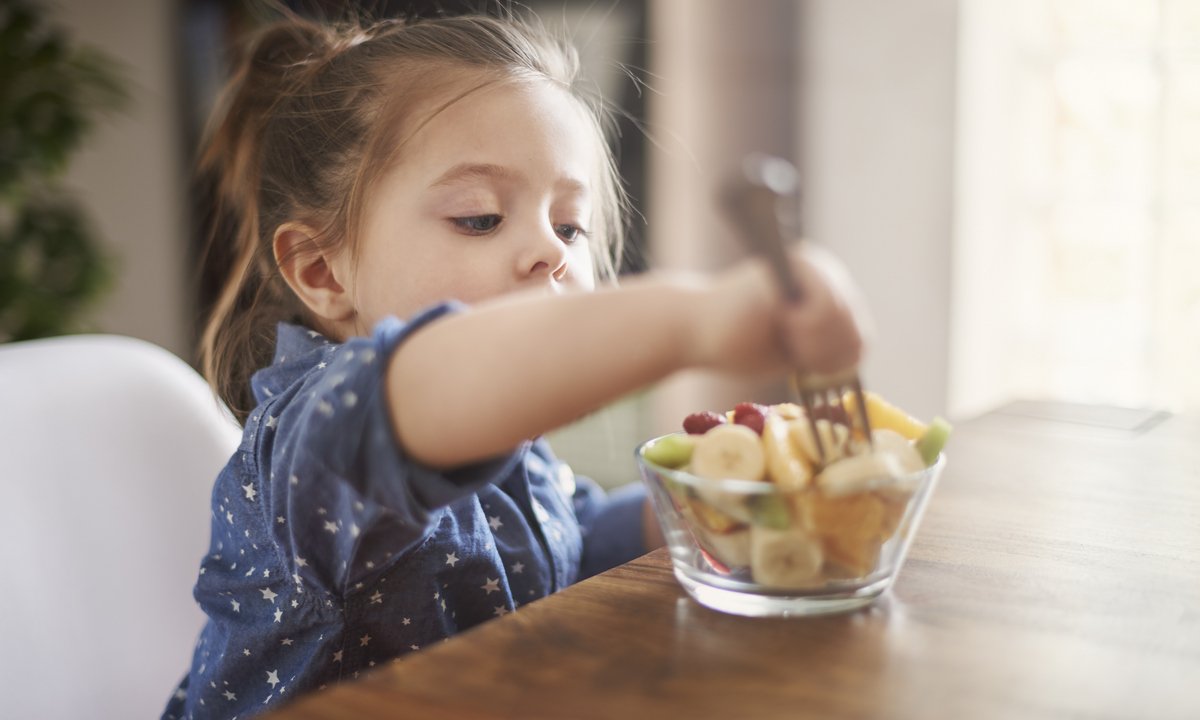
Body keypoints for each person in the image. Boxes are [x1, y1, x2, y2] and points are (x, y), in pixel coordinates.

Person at [163, 9, 867, 719]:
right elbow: (437, 378)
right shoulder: (314, 439)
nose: (552, 252)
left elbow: (571, 540)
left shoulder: (504, 438)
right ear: (321, 271)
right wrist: (696, 317)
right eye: (480, 218)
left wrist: (712, 501)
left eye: (569, 225)